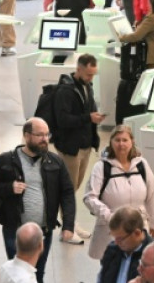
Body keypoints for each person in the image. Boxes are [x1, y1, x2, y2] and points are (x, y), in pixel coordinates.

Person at [0, 118, 77, 283]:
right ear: (26, 136)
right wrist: (9, 188)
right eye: (39, 135)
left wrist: (68, 224)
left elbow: (67, 193)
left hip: (43, 231)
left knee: (37, 274)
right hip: (15, 230)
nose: (45, 139)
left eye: (47, 134)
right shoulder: (6, 161)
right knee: (17, 273)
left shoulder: (55, 162)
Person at [83, 125, 154, 260]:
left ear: (132, 142)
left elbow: (151, 194)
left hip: (139, 228)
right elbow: (89, 197)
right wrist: (110, 217)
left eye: (125, 140)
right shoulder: (101, 167)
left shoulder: (142, 165)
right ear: (111, 143)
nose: (121, 144)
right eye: (117, 140)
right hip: (110, 230)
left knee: (137, 268)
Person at [51, 52, 105, 243]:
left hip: (84, 146)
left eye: (93, 75)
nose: (91, 78)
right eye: (89, 74)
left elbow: (87, 111)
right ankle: (67, 229)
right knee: (67, 189)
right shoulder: (65, 91)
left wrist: (93, 118)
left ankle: (71, 222)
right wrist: (88, 118)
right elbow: (63, 120)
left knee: (74, 187)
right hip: (70, 147)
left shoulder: (86, 86)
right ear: (79, 69)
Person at [97, 206, 154, 283]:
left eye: (120, 239)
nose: (116, 243)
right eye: (114, 238)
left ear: (137, 233)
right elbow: (101, 277)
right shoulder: (112, 249)